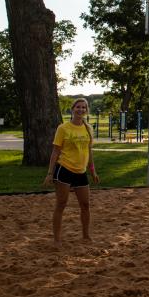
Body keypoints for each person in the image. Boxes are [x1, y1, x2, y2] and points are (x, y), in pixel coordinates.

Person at [43, 97, 99, 246]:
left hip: (81, 172)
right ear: (72, 109)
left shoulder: (88, 128)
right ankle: (57, 239)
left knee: (85, 205)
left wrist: (92, 171)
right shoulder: (63, 128)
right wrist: (49, 173)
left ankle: (86, 236)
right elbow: (55, 152)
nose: (80, 110)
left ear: (86, 110)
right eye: (78, 107)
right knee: (61, 204)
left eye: (83, 107)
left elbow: (89, 151)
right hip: (64, 169)